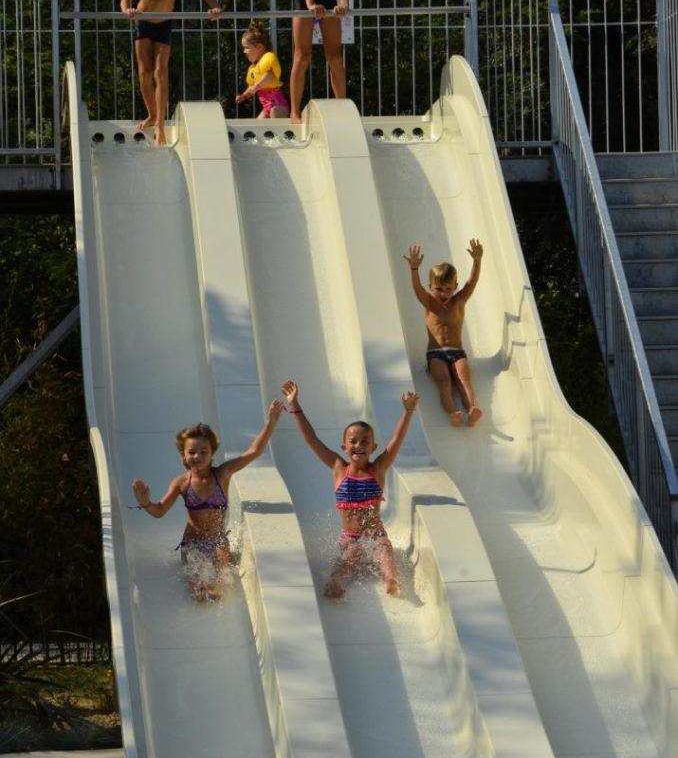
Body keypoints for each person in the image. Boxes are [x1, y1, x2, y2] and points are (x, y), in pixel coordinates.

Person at [281, 380, 419, 600]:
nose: (359, 445)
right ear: (344, 447)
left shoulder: (378, 468)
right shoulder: (338, 468)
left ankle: (391, 580)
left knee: (385, 552)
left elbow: (396, 441)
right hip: (351, 537)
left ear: (373, 447)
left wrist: (408, 412)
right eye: (353, 441)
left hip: (375, 534)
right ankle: (335, 583)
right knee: (350, 557)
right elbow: (311, 439)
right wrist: (295, 406)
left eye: (365, 441)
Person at [131, 403, 283, 600]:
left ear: (212, 453)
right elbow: (159, 511)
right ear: (183, 456)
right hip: (192, 543)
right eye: (192, 452)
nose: (197, 456)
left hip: (218, 541)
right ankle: (201, 587)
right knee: (199, 590)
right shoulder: (181, 483)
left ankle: (217, 588)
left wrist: (271, 422)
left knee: (220, 583)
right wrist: (145, 502)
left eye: (203, 451)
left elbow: (253, 452)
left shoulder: (222, 474)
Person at [120, 0, 221, 146]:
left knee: (161, 72)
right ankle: (152, 114)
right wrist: (128, 10)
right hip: (144, 22)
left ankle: (159, 125)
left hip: (164, 24)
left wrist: (214, 8)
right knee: (145, 73)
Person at [404, 240, 484, 427]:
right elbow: (417, 289)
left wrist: (477, 261)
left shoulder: (459, 300)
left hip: (458, 352)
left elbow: (472, 282)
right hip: (436, 354)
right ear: (431, 287)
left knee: (464, 381)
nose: (444, 293)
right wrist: (414, 270)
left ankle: (471, 410)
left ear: (455, 286)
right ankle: (453, 412)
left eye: (448, 288)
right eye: (439, 289)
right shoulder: (429, 303)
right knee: (445, 382)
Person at [235, 20, 290, 118]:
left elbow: (270, 75)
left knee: (274, 120)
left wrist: (257, 86)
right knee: (258, 127)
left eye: (247, 47)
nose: (244, 51)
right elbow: (250, 86)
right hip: (266, 108)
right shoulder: (253, 69)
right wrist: (244, 95)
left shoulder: (268, 58)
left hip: (278, 105)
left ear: (259, 47)